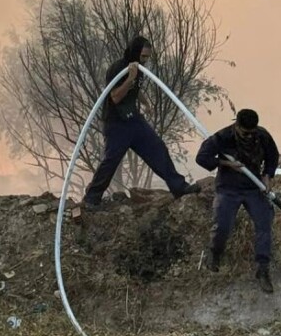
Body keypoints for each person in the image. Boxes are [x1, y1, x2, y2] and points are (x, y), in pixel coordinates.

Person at [82, 36, 200, 208]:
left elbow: (135, 90)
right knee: (111, 161)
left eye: (147, 57)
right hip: (116, 124)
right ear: (135, 52)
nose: (145, 60)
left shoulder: (138, 69)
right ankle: (92, 198)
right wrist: (130, 78)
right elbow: (115, 97)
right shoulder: (119, 69)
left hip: (134, 120)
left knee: (158, 148)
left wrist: (146, 103)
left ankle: (179, 187)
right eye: (143, 56)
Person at [195, 109, 280, 293]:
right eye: (245, 133)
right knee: (223, 225)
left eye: (252, 132)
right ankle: (215, 253)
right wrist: (227, 164)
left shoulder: (262, 135)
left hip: (253, 188)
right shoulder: (223, 137)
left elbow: (273, 157)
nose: (249, 136)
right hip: (228, 188)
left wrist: (267, 177)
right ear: (237, 126)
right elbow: (202, 158)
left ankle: (262, 269)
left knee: (264, 223)